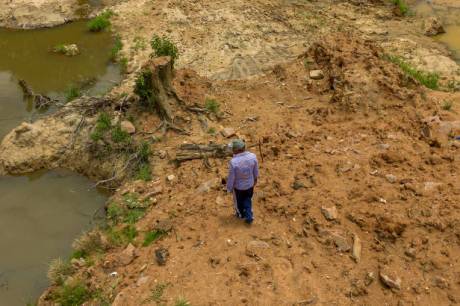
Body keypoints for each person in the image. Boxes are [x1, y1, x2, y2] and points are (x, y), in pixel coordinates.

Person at [226, 139, 259, 224]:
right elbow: (255, 170)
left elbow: (231, 177)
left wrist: (229, 188)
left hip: (239, 188)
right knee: (248, 199)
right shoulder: (253, 156)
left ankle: (241, 214)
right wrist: (255, 179)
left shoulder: (233, 162)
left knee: (239, 202)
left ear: (236, 150)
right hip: (250, 185)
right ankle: (249, 215)